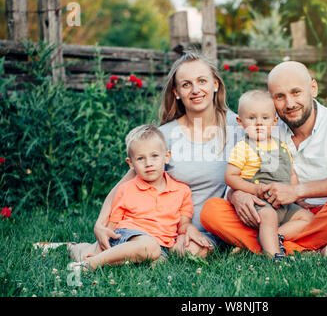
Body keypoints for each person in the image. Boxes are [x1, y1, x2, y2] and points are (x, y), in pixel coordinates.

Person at [201, 61, 327, 256]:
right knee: (212, 211)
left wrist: (297, 191)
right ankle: (307, 249)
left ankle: (270, 246)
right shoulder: (264, 127)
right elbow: (238, 175)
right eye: (280, 96)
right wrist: (237, 196)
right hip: (278, 216)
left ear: (313, 88)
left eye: (296, 92)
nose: (290, 104)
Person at [92, 51, 244, 258]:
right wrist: (100, 224)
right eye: (186, 84)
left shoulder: (238, 127)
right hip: (164, 227)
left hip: (215, 227)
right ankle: (84, 248)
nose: (196, 90)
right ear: (176, 92)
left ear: (215, 84)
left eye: (202, 81)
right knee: (173, 249)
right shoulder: (165, 135)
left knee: (192, 251)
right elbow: (124, 185)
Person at [68, 125, 194, 271]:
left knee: (159, 263)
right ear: (131, 163)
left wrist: (183, 236)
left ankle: (104, 258)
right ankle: (88, 260)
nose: (148, 163)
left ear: (166, 157)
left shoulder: (182, 191)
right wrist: (101, 245)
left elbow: (184, 224)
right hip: (128, 236)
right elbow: (113, 222)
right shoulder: (127, 189)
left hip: (162, 246)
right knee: (148, 247)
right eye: (140, 158)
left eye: (154, 156)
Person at [225, 90, 314, 260]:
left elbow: (291, 173)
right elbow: (230, 176)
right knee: (269, 216)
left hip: (284, 203)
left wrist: (298, 198)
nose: (259, 123)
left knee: (308, 218)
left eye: (264, 118)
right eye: (251, 118)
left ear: (274, 122)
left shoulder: (281, 146)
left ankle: (276, 237)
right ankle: (274, 256)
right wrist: (254, 188)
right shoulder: (243, 148)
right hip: (261, 204)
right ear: (240, 122)